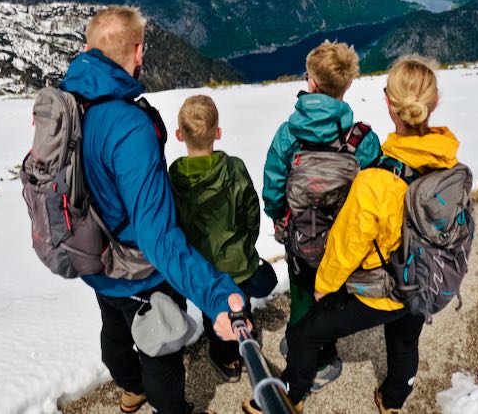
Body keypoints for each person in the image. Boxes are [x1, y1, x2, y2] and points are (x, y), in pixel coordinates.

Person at [244, 56, 459, 414]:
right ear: (433, 103)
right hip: (422, 275)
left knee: (305, 328)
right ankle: (393, 400)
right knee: (405, 338)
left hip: (371, 276)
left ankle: (292, 394)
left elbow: (349, 240)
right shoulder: (448, 162)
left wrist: (322, 281)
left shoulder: (374, 178)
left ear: (389, 103)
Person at [61, 6, 245, 414]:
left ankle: (129, 388)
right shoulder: (130, 127)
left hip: (94, 255)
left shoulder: (72, 104)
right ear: (139, 51)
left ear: (89, 49)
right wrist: (216, 294)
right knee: (159, 352)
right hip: (137, 269)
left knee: (114, 328)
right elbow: (156, 235)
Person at [261, 41, 381, 391]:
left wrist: (279, 217)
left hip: (299, 236)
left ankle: (299, 349)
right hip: (343, 241)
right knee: (331, 295)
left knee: (301, 292)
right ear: (347, 86)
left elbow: (273, 184)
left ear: (310, 82)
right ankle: (324, 358)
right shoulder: (360, 139)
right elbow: (376, 184)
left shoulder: (289, 134)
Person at [168, 94, 278, 382]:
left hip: (202, 266)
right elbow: (251, 213)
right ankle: (243, 330)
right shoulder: (234, 169)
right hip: (238, 261)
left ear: (180, 135)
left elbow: (174, 222)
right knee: (241, 298)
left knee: (213, 310)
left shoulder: (174, 180)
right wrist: (244, 245)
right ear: (218, 133)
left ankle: (227, 356)